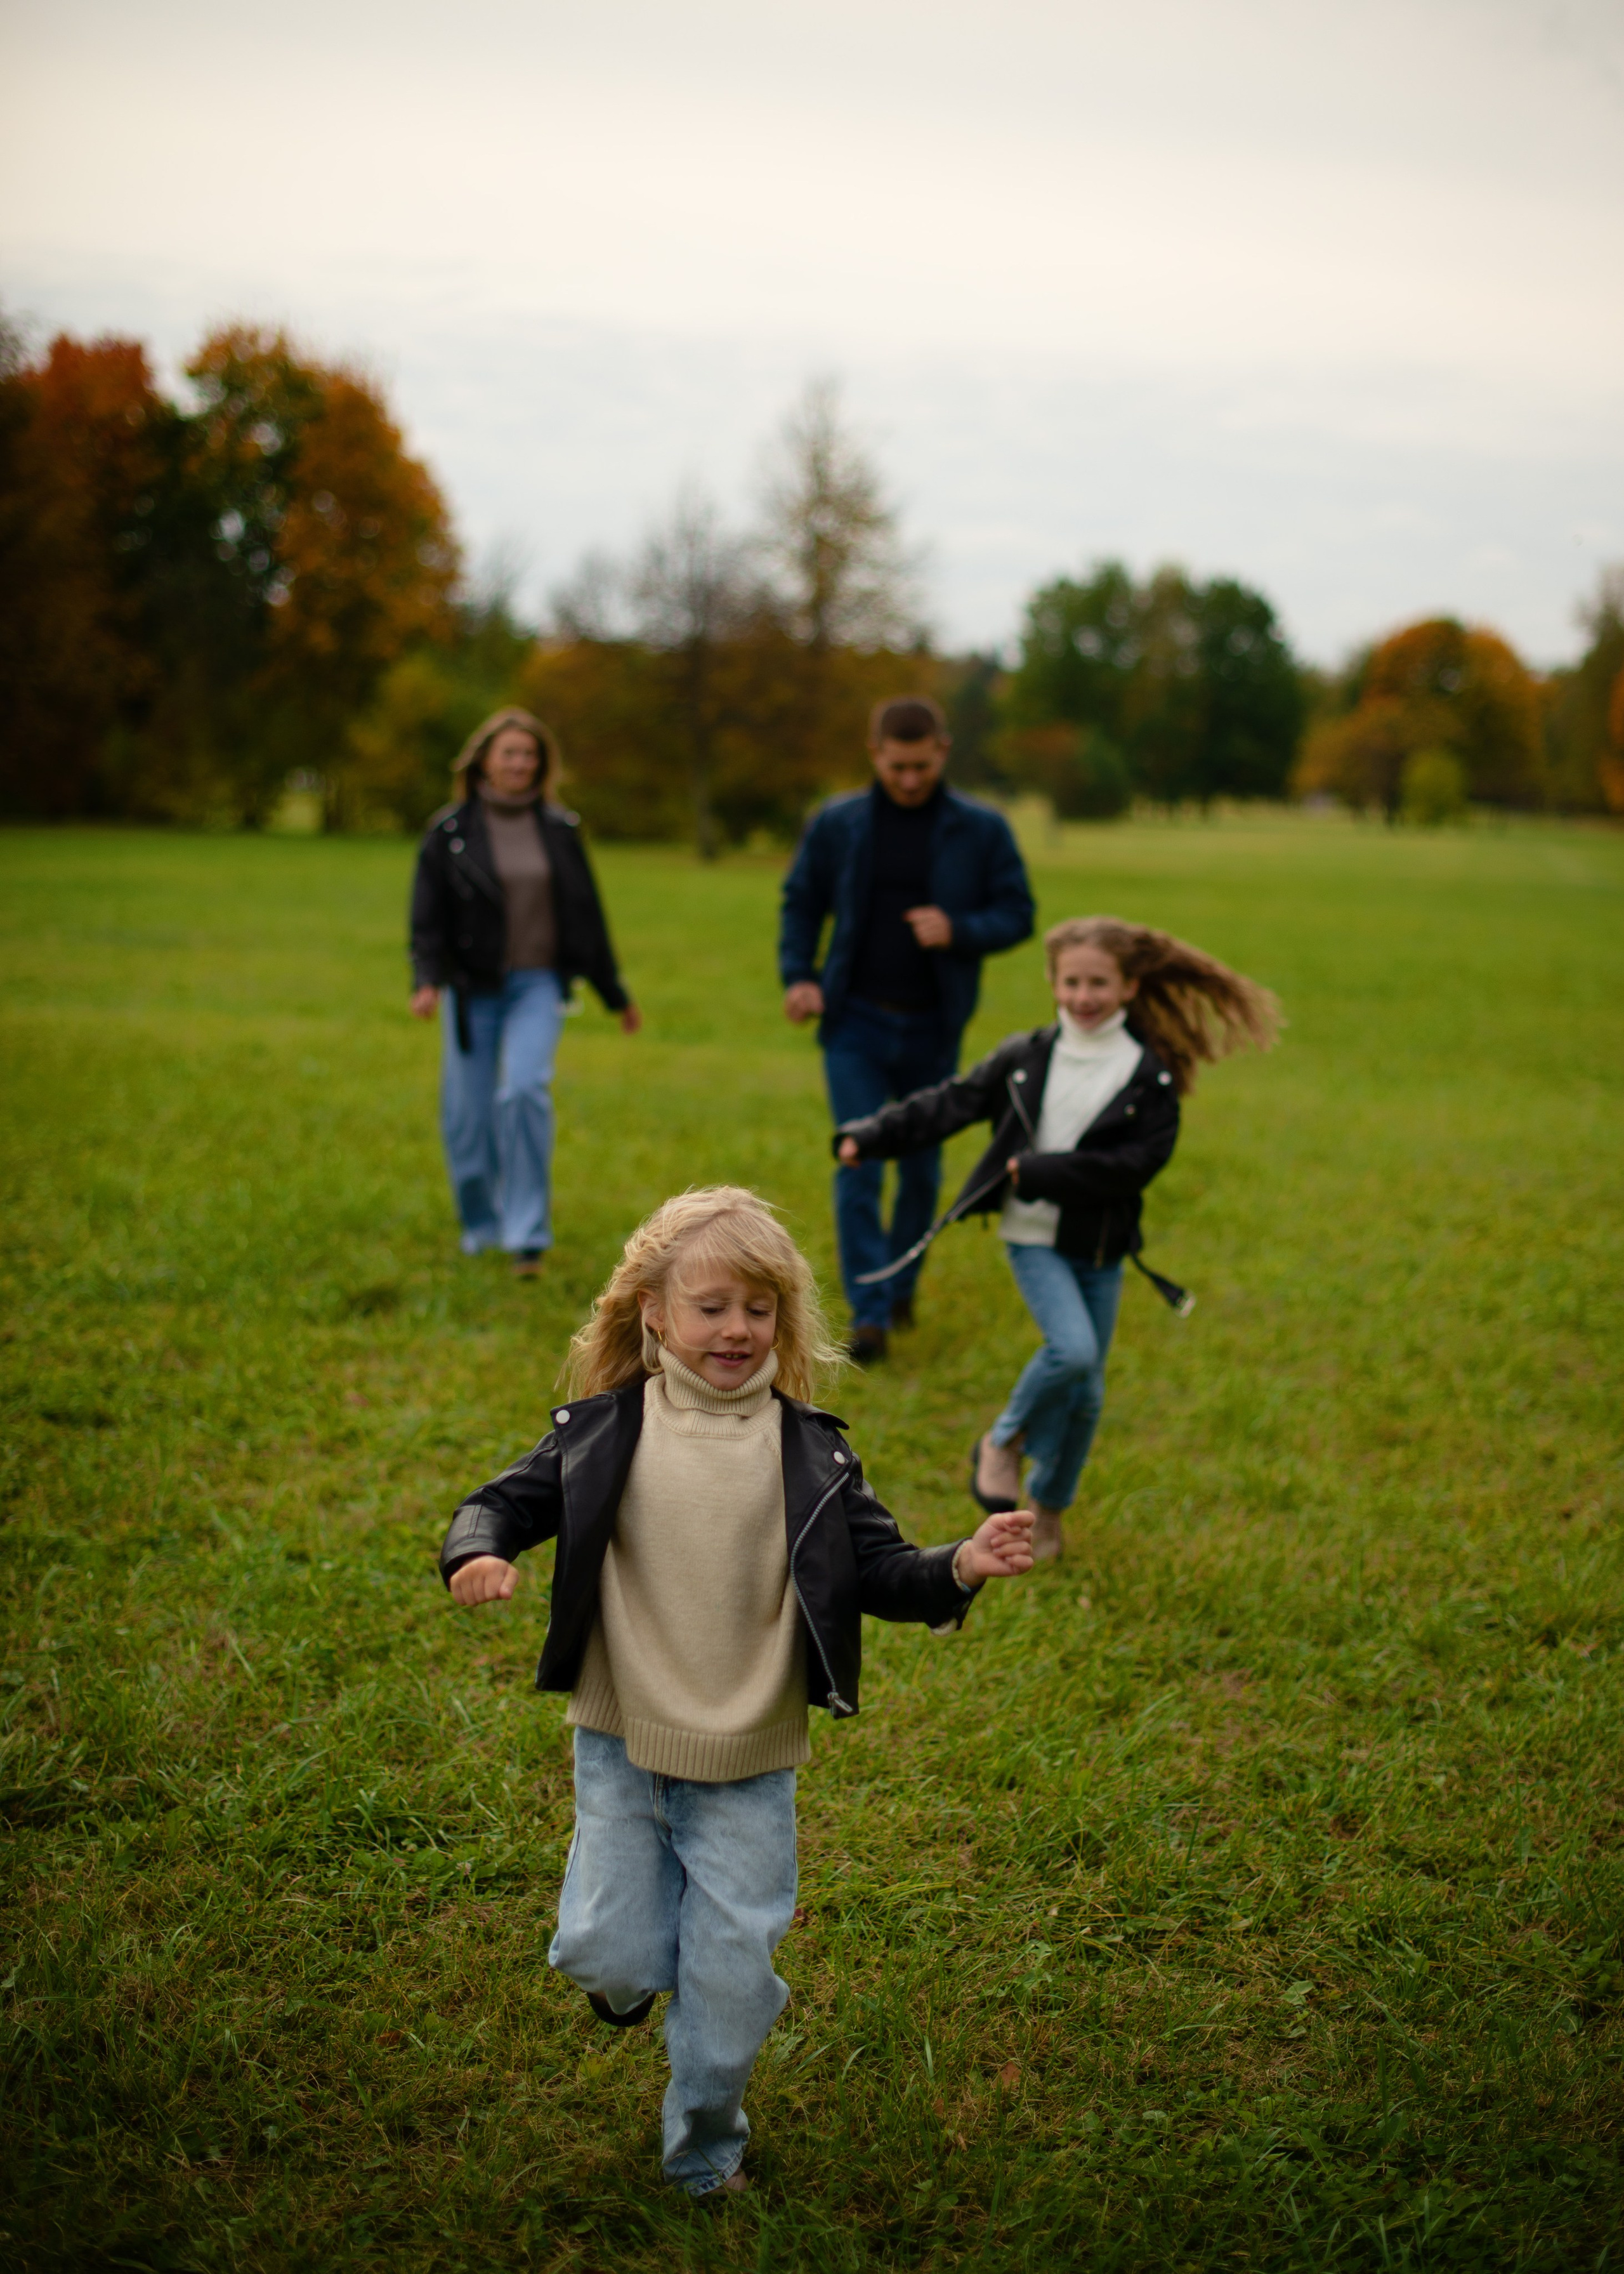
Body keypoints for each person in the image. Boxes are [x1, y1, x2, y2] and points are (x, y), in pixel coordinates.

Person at [437, 1186, 1035, 2197]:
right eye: (712, 1307)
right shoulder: (606, 1432)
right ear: (655, 1316)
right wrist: (479, 1550)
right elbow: (501, 1502)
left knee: (729, 1990)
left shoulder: (812, 1452)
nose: (736, 1330)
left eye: (759, 1309)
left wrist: (962, 1565)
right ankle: (632, 1967)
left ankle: (704, 2156)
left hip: (751, 1766)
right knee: (606, 1956)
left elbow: (883, 1570)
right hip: (623, 1742)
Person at [835, 917, 1279, 1560]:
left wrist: (1041, 1171)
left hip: (1098, 1248)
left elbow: (1136, 1164)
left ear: (1128, 985)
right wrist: (871, 1135)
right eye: (1071, 981)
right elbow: (951, 1102)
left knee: (1087, 1393)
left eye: (1098, 982)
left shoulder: (1147, 1074)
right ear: (1052, 981)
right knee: (1070, 1353)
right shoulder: (1026, 1056)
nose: (1083, 995)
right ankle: (1002, 1441)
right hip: (1032, 1236)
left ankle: (1046, 1508)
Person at [778, 695, 1035, 1362]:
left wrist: (959, 928)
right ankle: (869, 1314)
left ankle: (899, 1287)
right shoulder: (839, 823)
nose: (911, 779)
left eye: (921, 766)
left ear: (943, 751)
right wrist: (798, 975)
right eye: (898, 767)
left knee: (921, 1170)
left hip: (934, 1026)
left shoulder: (981, 829)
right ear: (875, 755)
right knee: (858, 1158)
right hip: (853, 1021)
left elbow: (1018, 911)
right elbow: (801, 900)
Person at [409, 708, 639, 1278]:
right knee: (467, 1116)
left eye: (529, 755)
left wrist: (615, 993)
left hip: (538, 986)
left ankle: (527, 1236)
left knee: (524, 1092)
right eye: (509, 753)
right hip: (471, 990)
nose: (519, 764)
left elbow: (587, 916)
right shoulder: (451, 832)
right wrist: (426, 979)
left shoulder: (560, 830)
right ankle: (481, 1225)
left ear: (542, 765)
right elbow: (427, 916)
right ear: (485, 759)